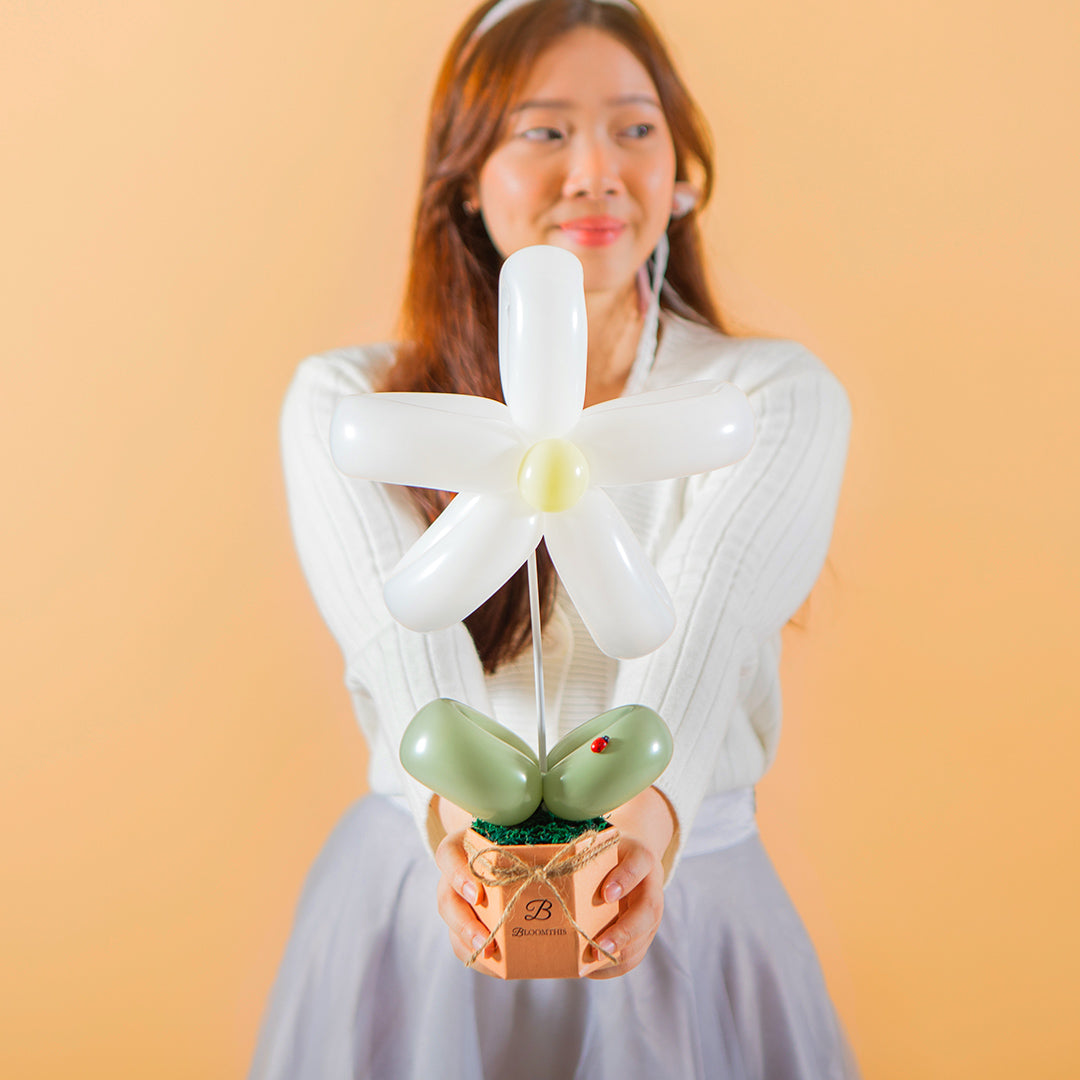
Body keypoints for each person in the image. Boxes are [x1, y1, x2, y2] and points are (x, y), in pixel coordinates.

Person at [252, 1, 859, 1077]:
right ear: (464, 180)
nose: (594, 171)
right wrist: (460, 838)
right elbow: (405, 657)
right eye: (543, 131)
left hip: (675, 908)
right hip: (436, 905)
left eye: (635, 129)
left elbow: (705, 620)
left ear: (682, 179)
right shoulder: (349, 406)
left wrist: (638, 835)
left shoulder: (767, 399)